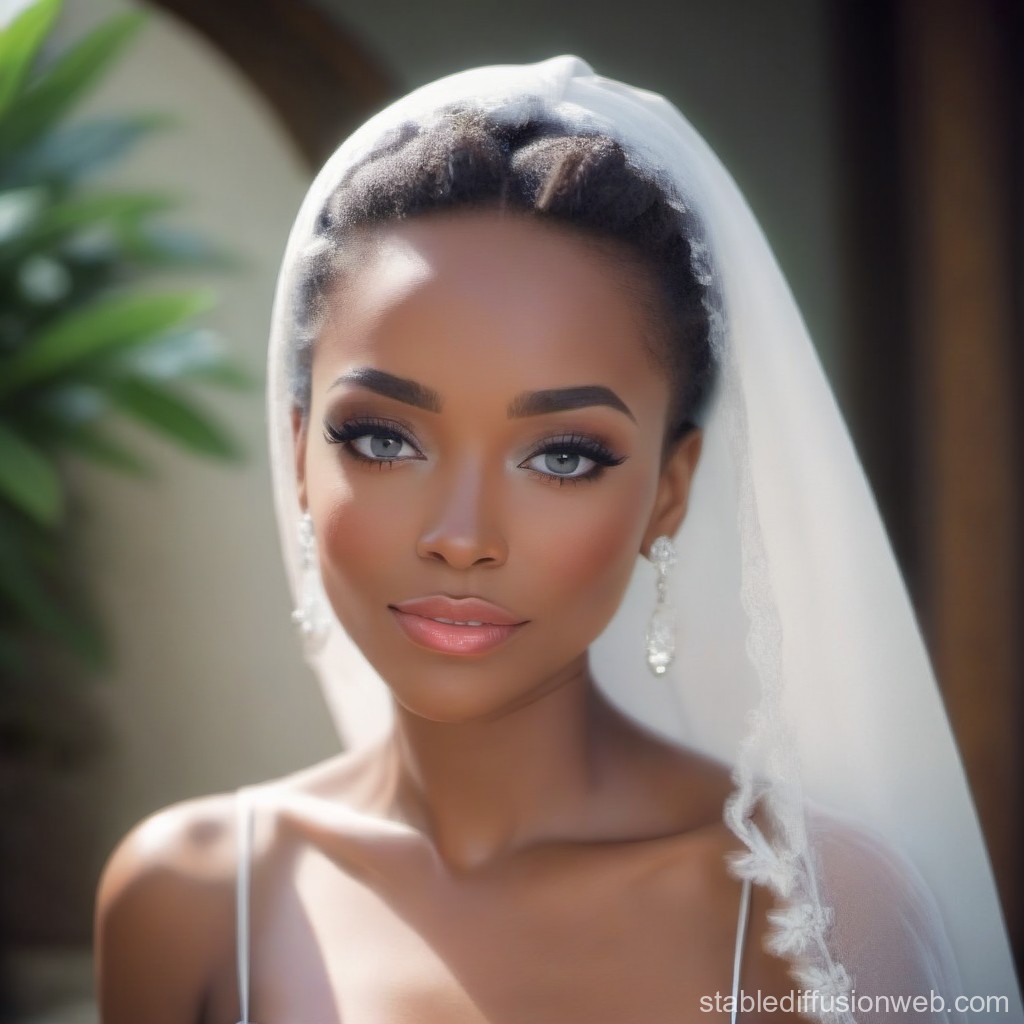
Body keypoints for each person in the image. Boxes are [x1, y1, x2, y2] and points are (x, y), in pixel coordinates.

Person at [94, 56, 1023, 1024]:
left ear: (669, 491)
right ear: (296, 453)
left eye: (564, 456)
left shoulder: (813, 920)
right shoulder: (191, 897)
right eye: (382, 438)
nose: (460, 537)